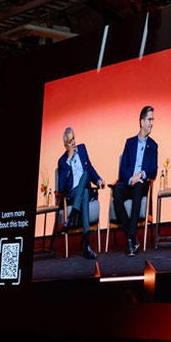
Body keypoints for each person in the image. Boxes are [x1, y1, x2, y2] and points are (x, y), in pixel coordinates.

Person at [111, 105, 158, 257]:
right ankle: (131, 237)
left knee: (138, 185)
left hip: (141, 184)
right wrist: (131, 178)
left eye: (153, 120)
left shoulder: (153, 146)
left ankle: (131, 238)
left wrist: (141, 175)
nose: (152, 123)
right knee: (116, 191)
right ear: (142, 122)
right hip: (129, 183)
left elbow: (153, 170)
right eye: (149, 120)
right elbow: (123, 168)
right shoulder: (129, 143)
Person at [56, 126, 106, 259]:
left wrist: (98, 180)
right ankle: (87, 247)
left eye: (73, 139)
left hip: (84, 190)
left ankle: (73, 214)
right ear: (65, 145)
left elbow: (90, 167)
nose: (73, 143)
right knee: (84, 190)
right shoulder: (62, 161)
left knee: (85, 176)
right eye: (70, 141)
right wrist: (68, 161)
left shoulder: (82, 149)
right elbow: (61, 187)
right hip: (72, 194)